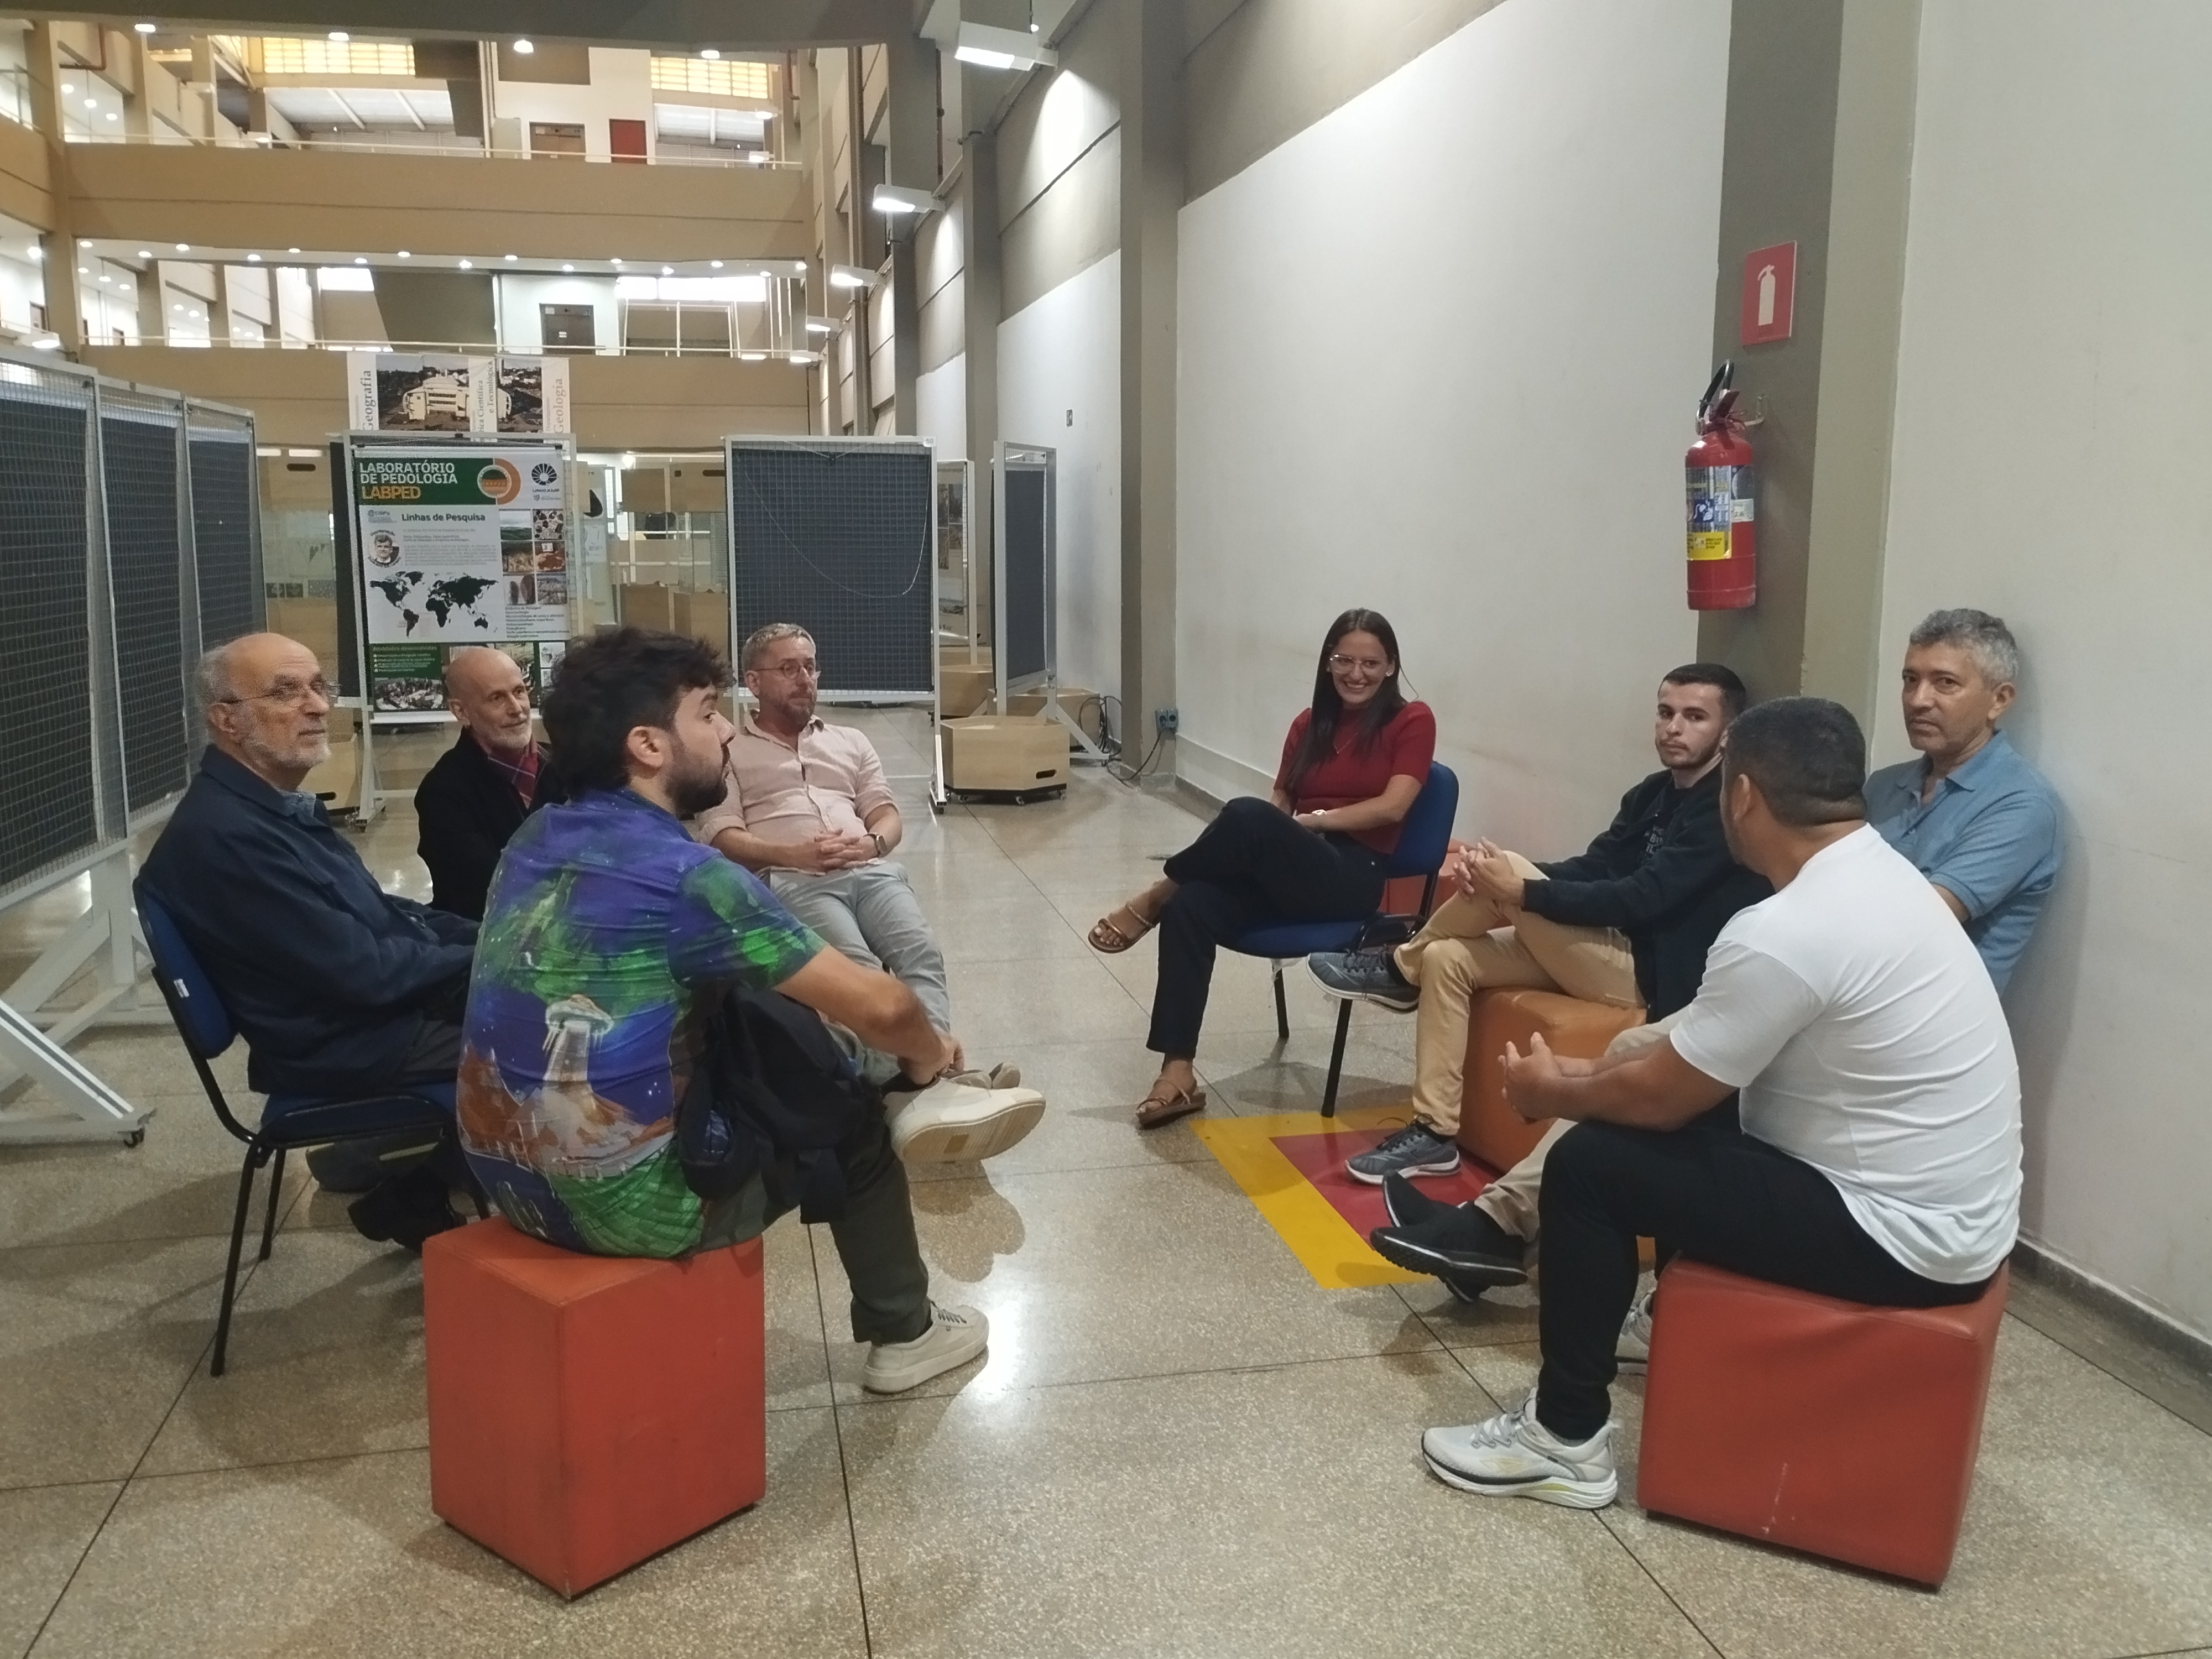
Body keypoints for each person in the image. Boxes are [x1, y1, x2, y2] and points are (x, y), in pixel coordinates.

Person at [1417, 698, 2020, 1509]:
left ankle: (1562, 1440)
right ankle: (1660, 1321)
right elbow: (1685, 1059)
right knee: (1678, 1096)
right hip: (1956, 1216)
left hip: (1902, 1239)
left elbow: (1660, 1102)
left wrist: (1550, 1091)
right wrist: (1592, 1078)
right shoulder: (1885, 878)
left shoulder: (1788, 927)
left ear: (1741, 795)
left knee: (1592, 1167)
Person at [457, 627, 1040, 1393]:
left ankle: (894, 1087)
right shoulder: (689, 876)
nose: (727, 731)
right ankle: (908, 1332)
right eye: (706, 714)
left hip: (499, 1173)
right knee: (854, 1122)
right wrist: (926, 1055)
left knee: (769, 1013)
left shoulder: (537, 833)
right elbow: (884, 1004)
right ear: (648, 745)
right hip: (622, 1205)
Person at [1311, 665, 1770, 1209]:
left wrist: (1519, 887)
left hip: (1647, 974)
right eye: (1666, 712)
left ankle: (1396, 968)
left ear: (1726, 733)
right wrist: (1506, 878)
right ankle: (1434, 1132)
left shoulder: (1723, 810)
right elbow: (1594, 867)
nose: (1674, 727)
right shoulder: (1651, 794)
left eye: (1694, 717)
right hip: (1599, 950)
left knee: (1507, 875)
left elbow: (1641, 898)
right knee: (1449, 958)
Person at [138, 633, 478, 1250]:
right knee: (564, 1039)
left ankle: (414, 1194)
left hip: (362, 1016)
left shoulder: (269, 807)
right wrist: (490, 956)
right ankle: (552, 1232)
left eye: (319, 687)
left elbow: (383, 914)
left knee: (546, 1000)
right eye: (285, 692)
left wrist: (485, 936)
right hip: (348, 1041)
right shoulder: (227, 838)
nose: (318, 705)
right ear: (226, 720)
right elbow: (369, 974)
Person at [1088, 609, 1436, 1129]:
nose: (1356, 674)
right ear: (1328, 662)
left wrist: (1314, 823)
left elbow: (1394, 807)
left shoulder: (1412, 721)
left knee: (1245, 816)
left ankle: (1156, 894)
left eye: (1370, 663)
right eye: (1344, 660)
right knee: (1193, 904)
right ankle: (1178, 1072)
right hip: (1296, 867)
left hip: (1351, 875)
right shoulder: (1309, 724)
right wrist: (1281, 834)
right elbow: (1280, 804)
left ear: (1390, 667)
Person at [693, 622, 1030, 1114]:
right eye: (788, 668)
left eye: (810, 667)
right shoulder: (727, 752)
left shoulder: (850, 741)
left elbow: (888, 817)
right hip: (794, 881)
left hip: (870, 871)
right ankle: (928, 1081)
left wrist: (873, 844)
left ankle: (919, 1078)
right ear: (755, 681)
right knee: (861, 975)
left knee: (921, 953)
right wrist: (794, 855)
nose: (804, 678)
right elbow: (722, 836)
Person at [1867, 608, 2060, 991]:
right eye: (1910, 680)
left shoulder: (2022, 805)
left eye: (1945, 683)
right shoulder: (1883, 785)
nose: (1918, 700)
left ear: (1999, 700)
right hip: (1848, 998)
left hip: (1932, 1018)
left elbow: (1910, 927)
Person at [414, 646, 567, 921]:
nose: (517, 709)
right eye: (496, 698)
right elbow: (482, 892)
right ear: (461, 711)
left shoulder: (568, 766)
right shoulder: (443, 793)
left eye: (519, 691)